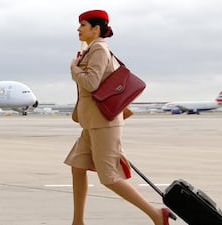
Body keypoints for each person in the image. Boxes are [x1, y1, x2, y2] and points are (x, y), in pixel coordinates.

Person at [64, 9, 175, 225]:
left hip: (103, 123)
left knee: (109, 178)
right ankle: (78, 222)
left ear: (96, 29)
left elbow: (91, 83)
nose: (78, 29)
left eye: (83, 25)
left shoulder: (99, 50)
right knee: (78, 167)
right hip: (92, 123)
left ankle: (156, 214)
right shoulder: (91, 50)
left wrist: (74, 69)